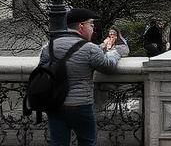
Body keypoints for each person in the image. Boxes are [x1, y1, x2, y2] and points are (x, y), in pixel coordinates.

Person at [40, 8, 127, 146]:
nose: (93, 29)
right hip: (81, 106)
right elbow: (108, 66)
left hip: (55, 104)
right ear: (81, 26)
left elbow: (42, 71)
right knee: (87, 142)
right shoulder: (90, 48)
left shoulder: (49, 47)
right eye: (91, 25)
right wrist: (115, 52)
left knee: (58, 143)